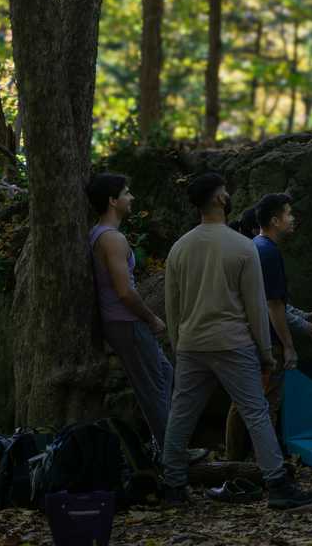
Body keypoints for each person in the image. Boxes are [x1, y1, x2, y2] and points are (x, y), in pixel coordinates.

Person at [161, 172, 312, 508]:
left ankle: (172, 485)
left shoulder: (179, 248)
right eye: (225, 191)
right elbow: (257, 306)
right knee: (256, 413)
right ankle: (277, 484)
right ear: (218, 199)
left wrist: (178, 343)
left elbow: (171, 307)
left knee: (181, 415)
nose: (228, 195)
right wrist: (265, 351)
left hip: (191, 344)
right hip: (233, 343)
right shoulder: (242, 246)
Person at [225, 194, 312, 460]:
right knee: (263, 405)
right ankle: (265, 467)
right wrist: (289, 346)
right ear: (274, 220)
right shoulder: (268, 252)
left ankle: (243, 463)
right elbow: (273, 305)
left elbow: (273, 300)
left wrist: (302, 316)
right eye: (288, 214)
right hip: (266, 341)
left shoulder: (256, 248)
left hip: (248, 337)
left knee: (246, 403)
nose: (293, 219)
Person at [86, 173, 173, 455]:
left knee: (165, 374)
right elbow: (124, 291)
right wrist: (152, 318)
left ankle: (165, 445)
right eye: (126, 192)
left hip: (124, 322)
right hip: (127, 322)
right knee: (153, 390)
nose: (131, 197)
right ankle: (172, 457)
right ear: (113, 201)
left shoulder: (101, 235)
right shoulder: (112, 239)